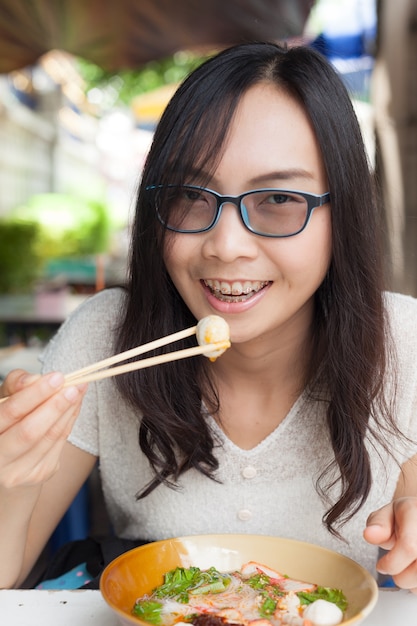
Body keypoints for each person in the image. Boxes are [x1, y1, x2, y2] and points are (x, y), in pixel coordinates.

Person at [1, 41, 417, 592]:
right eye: (190, 195)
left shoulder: (402, 343)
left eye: (277, 199)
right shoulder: (106, 338)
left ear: (343, 214)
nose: (226, 245)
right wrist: (9, 477)